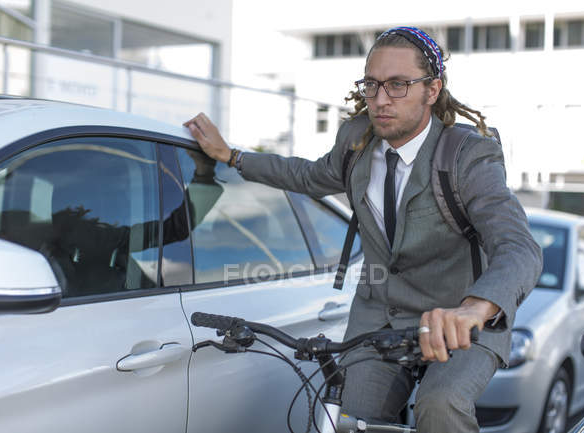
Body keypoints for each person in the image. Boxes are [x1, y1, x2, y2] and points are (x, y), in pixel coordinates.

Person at [184, 26, 542, 433]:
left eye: (398, 85)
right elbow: (307, 175)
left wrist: (475, 308)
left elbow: (518, 246)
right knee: (343, 416)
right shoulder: (357, 140)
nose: (380, 99)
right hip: (380, 320)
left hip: (457, 322)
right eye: (371, 85)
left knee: (440, 406)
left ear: (432, 89)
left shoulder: (467, 155)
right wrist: (231, 156)